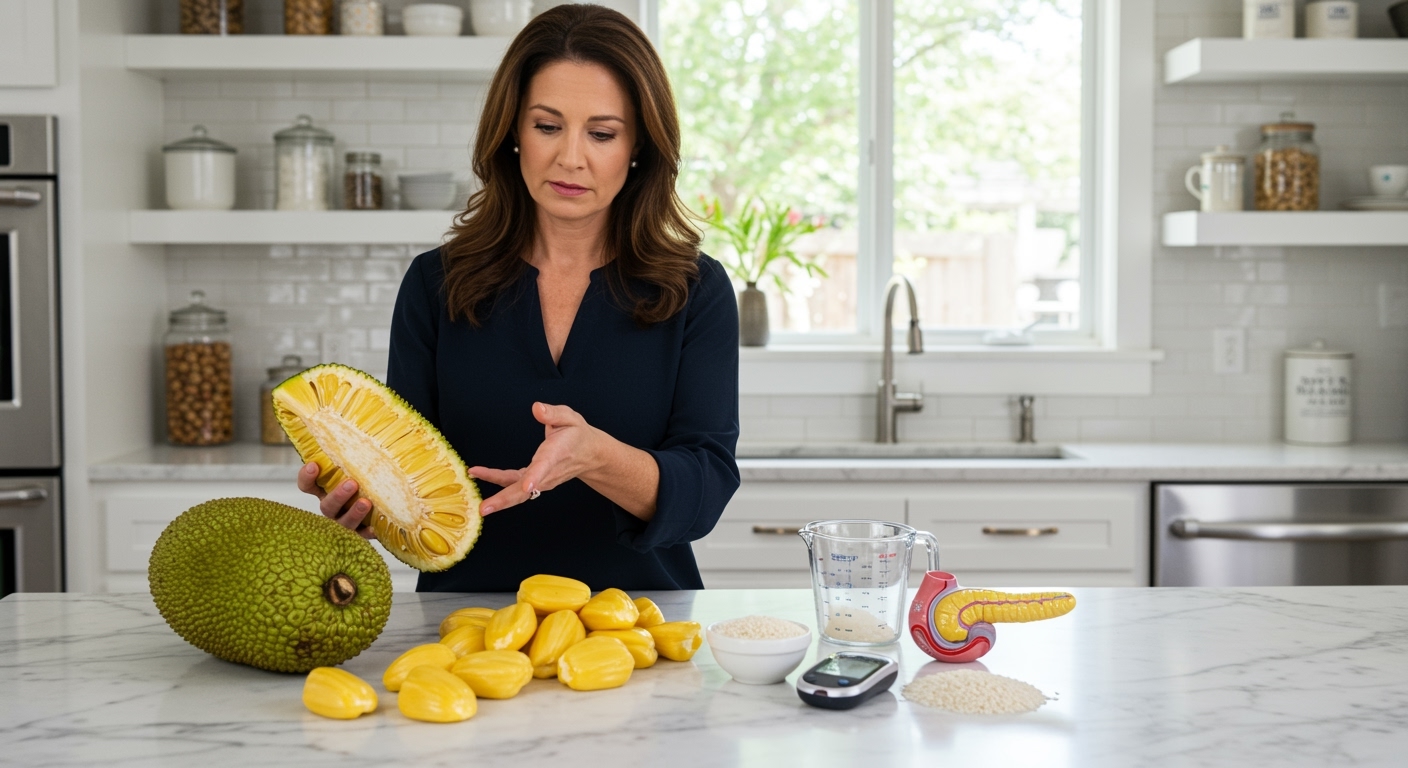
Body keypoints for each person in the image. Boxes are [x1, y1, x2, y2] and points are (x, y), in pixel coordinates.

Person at [296, 3, 740, 592]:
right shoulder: (435, 285)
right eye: (547, 126)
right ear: (512, 132)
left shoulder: (695, 291)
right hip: (461, 633)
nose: (571, 158)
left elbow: (705, 490)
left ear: (639, 148)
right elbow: (409, 482)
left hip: (641, 630)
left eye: (602, 133)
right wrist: (366, 507)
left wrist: (596, 457)